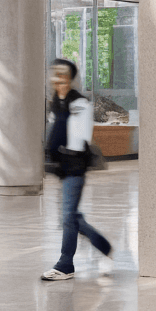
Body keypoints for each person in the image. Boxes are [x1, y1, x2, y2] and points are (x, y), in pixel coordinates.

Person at [40, 59, 112, 281]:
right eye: (54, 74)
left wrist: (63, 156)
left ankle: (65, 265)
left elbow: (80, 138)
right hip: (62, 168)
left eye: (62, 75)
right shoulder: (57, 102)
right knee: (71, 217)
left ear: (70, 78)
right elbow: (54, 130)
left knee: (69, 216)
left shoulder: (79, 103)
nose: (57, 79)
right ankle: (104, 247)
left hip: (74, 167)